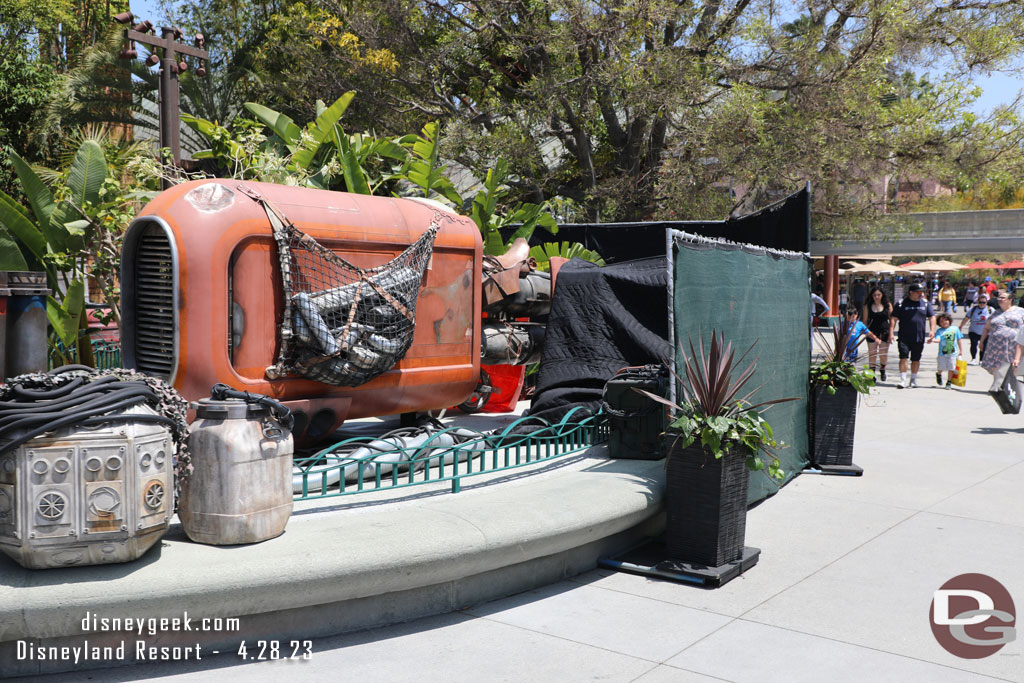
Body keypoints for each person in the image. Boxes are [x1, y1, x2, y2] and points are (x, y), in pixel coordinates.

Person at [889, 283, 936, 389]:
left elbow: (932, 317)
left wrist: (932, 331)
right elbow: (893, 318)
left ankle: (913, 380)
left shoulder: (925, 303)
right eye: (918, 292)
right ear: (911, 292)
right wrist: (891, 333)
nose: (921, 294)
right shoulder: (901, 303)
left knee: (916, 359)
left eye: (922, 292)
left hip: (919, 336)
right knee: (903, 357)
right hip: (904, 336)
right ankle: (903, 380)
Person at [979, 290, 1024, 392]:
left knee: (1012, 366)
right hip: (995, 345)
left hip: (1014, 345)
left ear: (1010, 300)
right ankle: (997, 386)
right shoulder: (996, 313)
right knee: (997, 366)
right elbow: (986, 328)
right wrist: (981, 341)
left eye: (1003, 297)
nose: (999, 299)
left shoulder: (1020, 311)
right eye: (999, 297)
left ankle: (1006, 387)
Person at [864, 287, 893, 381]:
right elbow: (864, 320)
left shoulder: (887, 305)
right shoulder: (867, 306)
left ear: (882, 295)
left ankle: (882, 369)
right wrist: (866, 332)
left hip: (884, 332)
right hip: (871, 332)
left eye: (878, 295)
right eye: (874, 295)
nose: (876, 297)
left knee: (883, 354)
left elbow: (892, 319)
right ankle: (872, 374)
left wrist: (891, 332)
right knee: (872, 354)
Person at [959, 292, 993, 365]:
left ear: (986, 302)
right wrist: (961, 326)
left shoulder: (990, 309)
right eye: (980, 302)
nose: (982, 304)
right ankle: (973, 358)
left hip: (986, 332)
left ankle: (981, 360)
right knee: (973, 344)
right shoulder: (973, 309)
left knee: (983, 346)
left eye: (984, 302)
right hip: (973, 331)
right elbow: (966, 318)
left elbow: (996, 318)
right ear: (978, 302)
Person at [933, 313, 964, 388]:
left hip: (953, 353)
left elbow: (959, 339)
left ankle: (949, 382)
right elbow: (938, 339)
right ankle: (939, 374)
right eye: (941, 321)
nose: (944, 322)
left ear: (949, 321)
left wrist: (961, 350)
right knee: (941, 367)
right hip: (942, 354)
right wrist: (933, 340)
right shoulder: (939, 331)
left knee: (951, 368)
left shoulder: (955, 329)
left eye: (946, 320)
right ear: (939, 323)